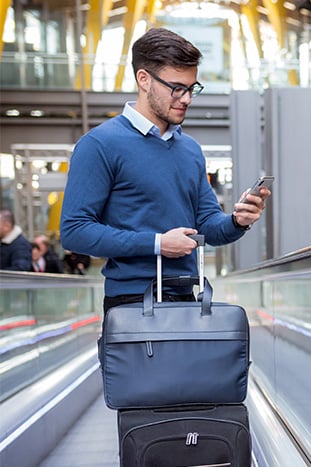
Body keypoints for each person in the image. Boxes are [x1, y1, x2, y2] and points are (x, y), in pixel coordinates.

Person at [60, 27, 270, 311]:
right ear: (144, 80)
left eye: (191, 88)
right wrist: (157, 243)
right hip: (131, 304)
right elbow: (74, 231)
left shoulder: (190, 149)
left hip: (187, 299)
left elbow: (207, 226)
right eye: (176, 88)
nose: (186, 99)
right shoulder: (99, 144)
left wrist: (237, 221)